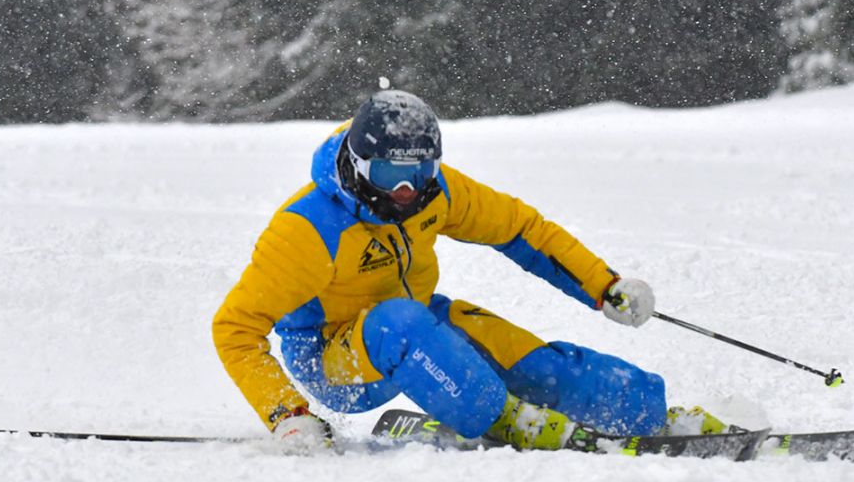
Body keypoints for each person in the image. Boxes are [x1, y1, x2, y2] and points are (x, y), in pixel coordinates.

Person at [212, 90, 723, 450]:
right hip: (333, 360)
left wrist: (604, 285)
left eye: (419, 172)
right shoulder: (306, 229)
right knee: (400, 323)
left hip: (413, 321)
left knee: (516, 353)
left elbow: (520, 230)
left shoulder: (435, 191)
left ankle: (645, 414)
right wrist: (287, 415)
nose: (406, 191)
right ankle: (508, 419)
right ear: (360, 164)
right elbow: (235, 328)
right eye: (390, 174)